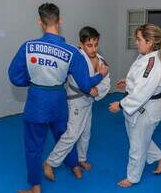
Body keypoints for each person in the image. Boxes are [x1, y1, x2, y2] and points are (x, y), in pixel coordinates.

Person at [8, 3, 107, 193]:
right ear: (60, 21)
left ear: (40, 22)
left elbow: (14, 77)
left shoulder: (28, 47)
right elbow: (86, 84)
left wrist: (34, 82)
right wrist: (100, 75)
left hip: (37, 102)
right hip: (59, 102)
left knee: (34, 147)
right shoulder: (71, 52)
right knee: (64, 135)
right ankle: (75, 167)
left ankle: (35, 191)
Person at [43, 26, 111, 180]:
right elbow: (81, 82)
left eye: (96, 45)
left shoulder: (101, 61)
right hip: (76, 100)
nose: (93, 49)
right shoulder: (76, 58)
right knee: (72, 134)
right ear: (81, 44)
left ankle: (81, 159)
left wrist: (98, 91)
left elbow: (106, 81)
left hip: (89, 102)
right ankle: (50, 162)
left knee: (86, 133)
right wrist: (90, 88)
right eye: (89, 45)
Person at [109, 23, 161, 188]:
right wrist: (127, 82)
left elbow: (142, 93)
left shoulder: (153, 64)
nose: (136, 42)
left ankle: (133, 177)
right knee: (140, 139)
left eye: (139, 39)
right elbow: (140, 81)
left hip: (146, 110)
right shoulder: (145, 57)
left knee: (137, 145)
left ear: (150, 42)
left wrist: (120, 105)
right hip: (141, 107)